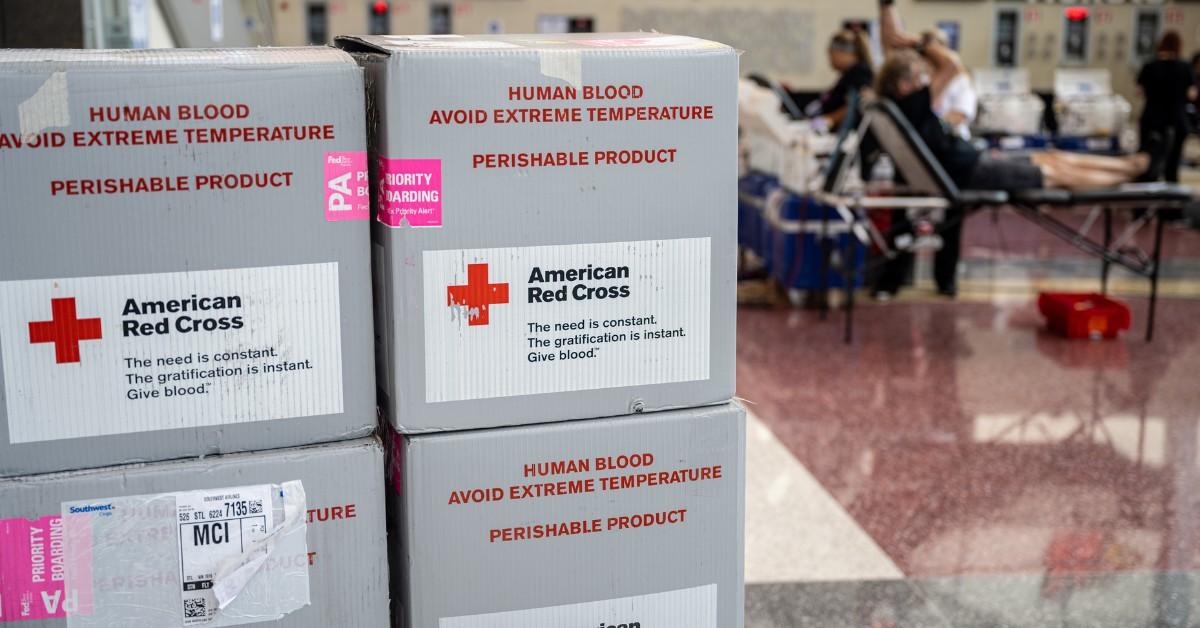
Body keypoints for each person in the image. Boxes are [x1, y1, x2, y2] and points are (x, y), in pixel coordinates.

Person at [872, 0, 1152, 298]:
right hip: (972, 171)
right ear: (903, 85)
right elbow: (951, 64)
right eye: (918, 77)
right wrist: (922, 42)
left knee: (1054, 159)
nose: (924, 80)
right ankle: (1132, 173)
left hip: (973, 161)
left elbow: (896, 52)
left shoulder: (902, 107)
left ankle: (1130, 165)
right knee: (1056, 173)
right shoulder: (911, 105)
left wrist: (888, 11)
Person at [1136, 32, 1197, 184]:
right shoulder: (1185, 67)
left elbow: (1139, 92)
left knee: (1147, 161)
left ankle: (1142, 200)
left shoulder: (1149, 66)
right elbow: (1192, 94)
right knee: (1173, 163)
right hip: (1176, 120)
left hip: (1152, 119)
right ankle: (1171, 202)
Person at [808, 29, 874, 132]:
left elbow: (856, 105)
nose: (829, 59)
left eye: (830, 54)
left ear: (841, 52)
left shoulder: (860, 73)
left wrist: (827, 120)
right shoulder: (849, 73)